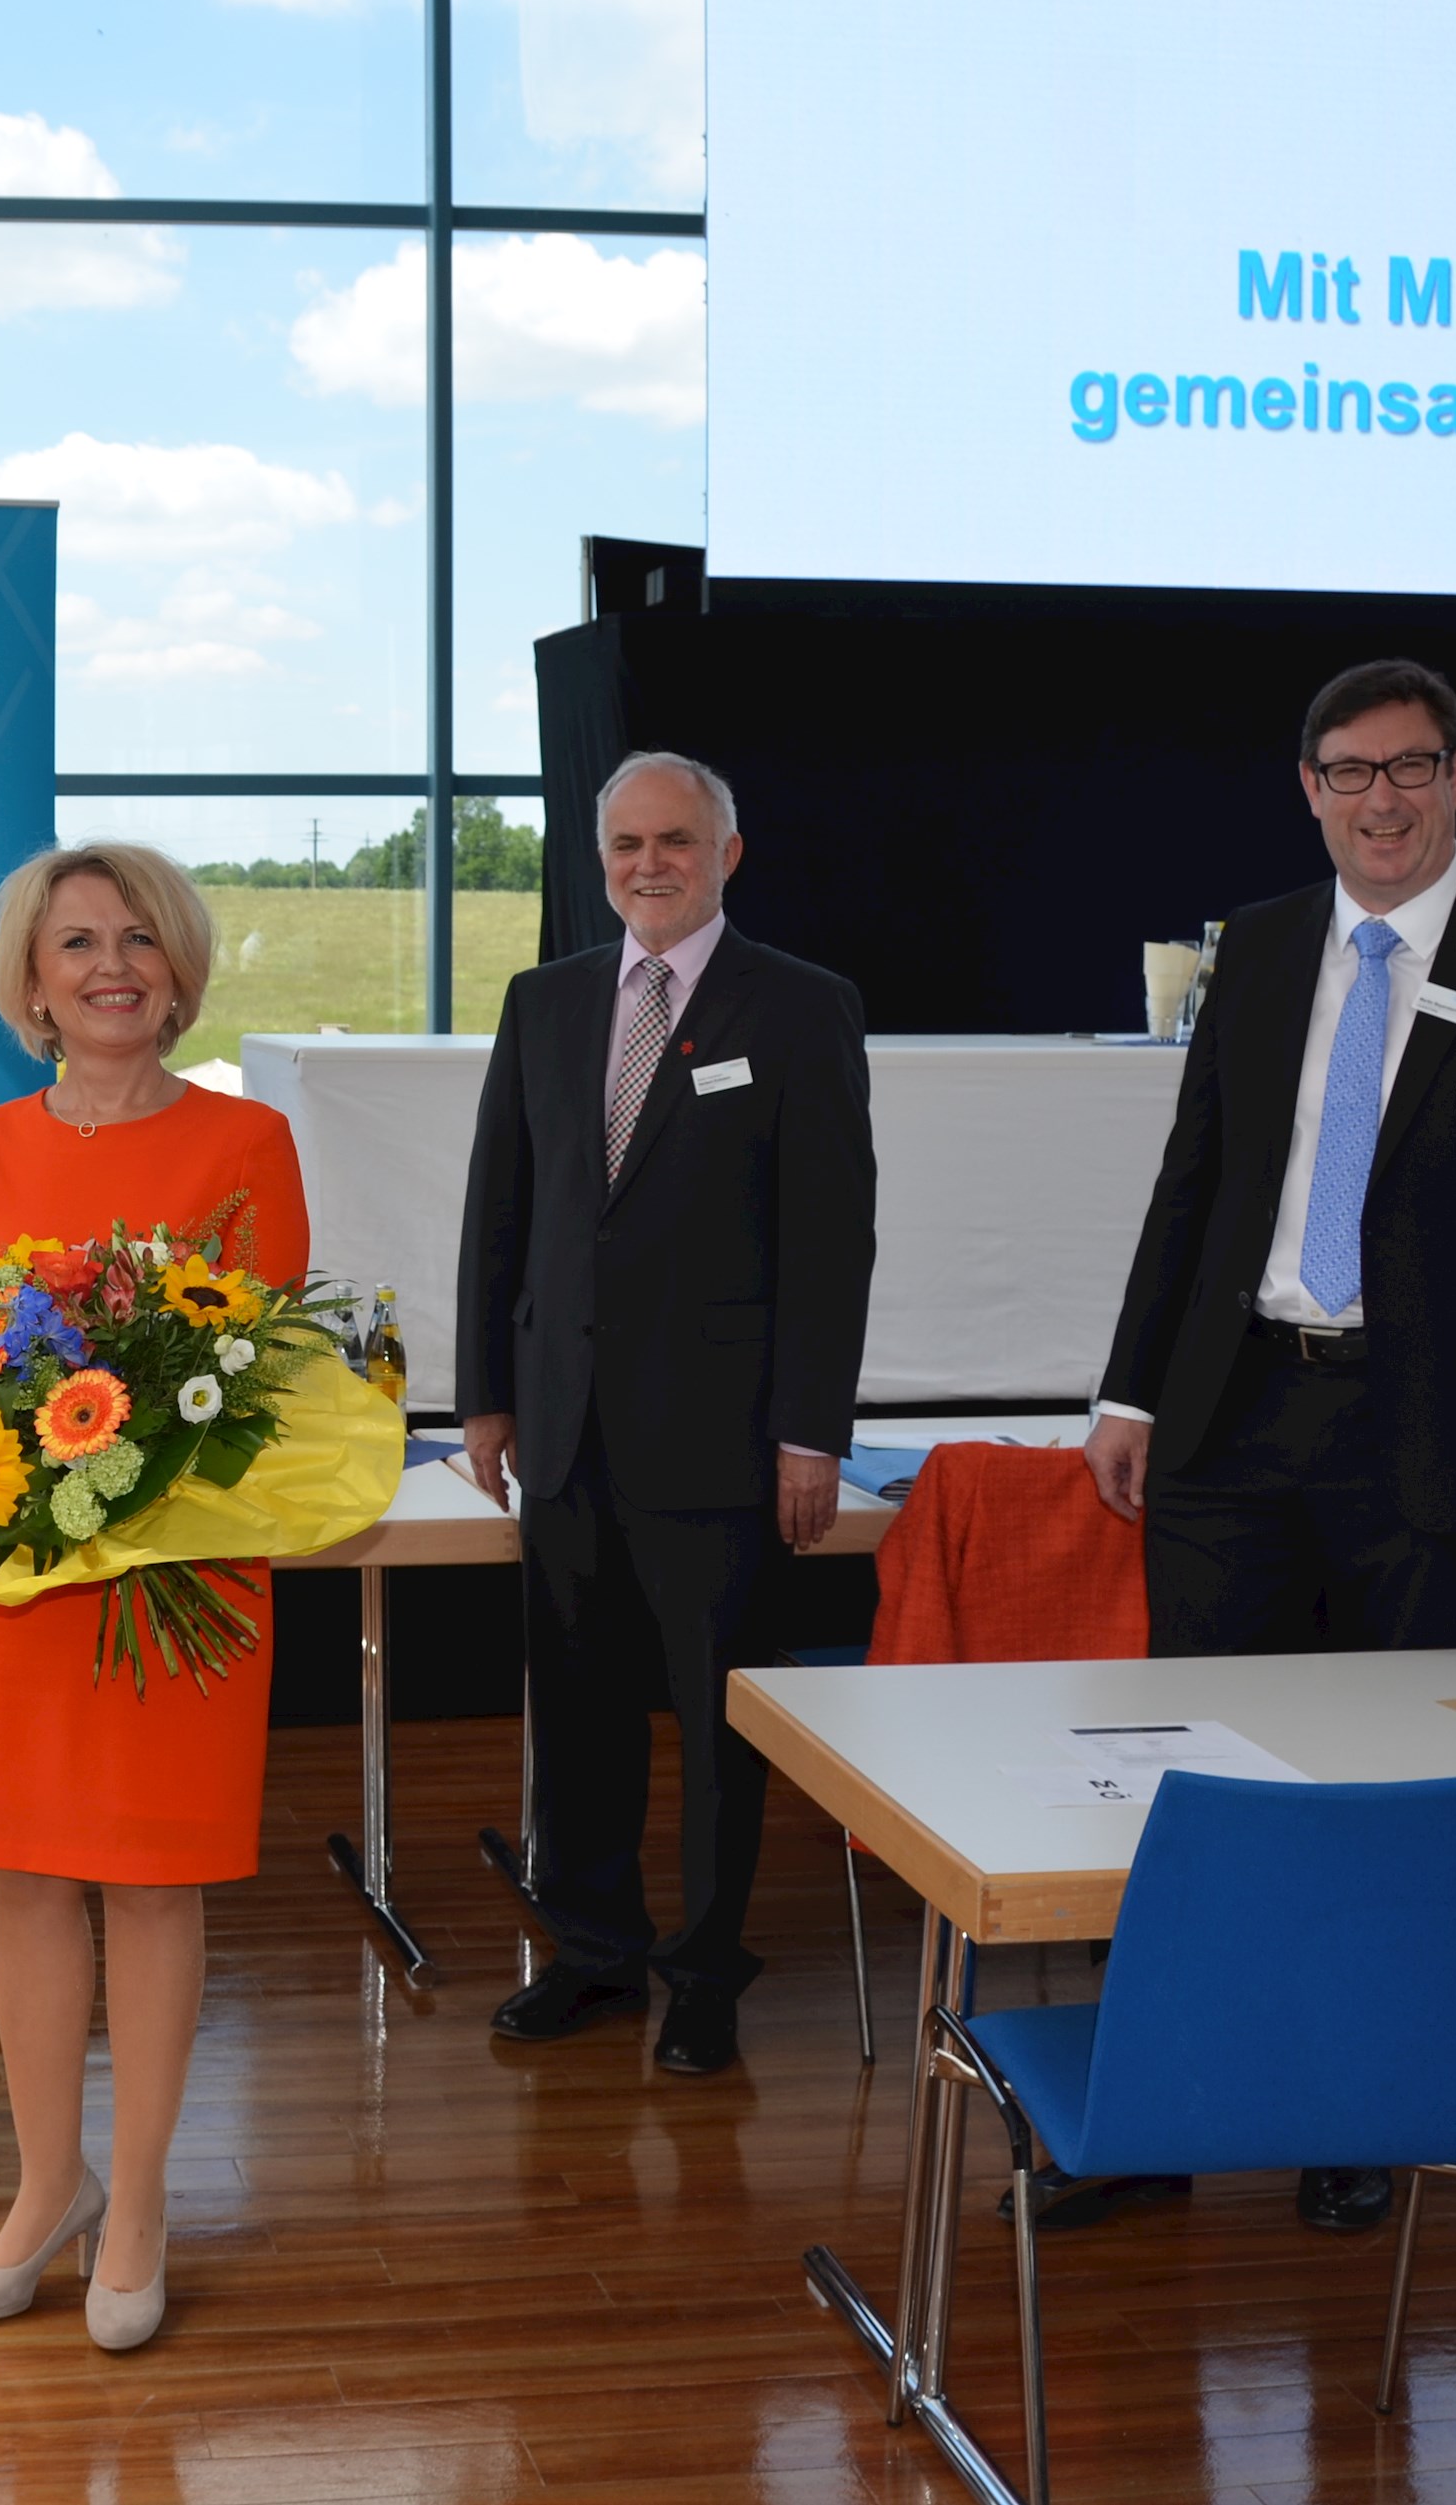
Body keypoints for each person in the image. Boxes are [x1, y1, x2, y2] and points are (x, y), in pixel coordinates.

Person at [1083, 659, 1456, 2233]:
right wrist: (1130, 1392)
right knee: (1198, 1777)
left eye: (1408, 767)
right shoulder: (1257, 948)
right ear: (1308, 788)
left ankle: (1352, 2114)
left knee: (1385, 1780)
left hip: (1432, 1445)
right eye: (1348, 772)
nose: (1379, 799)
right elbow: (1192, 1188)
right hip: (1232, 1415)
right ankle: (1157, 2122)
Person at [0, 842, 306, 2357]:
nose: (112, 966)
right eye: (78, 943)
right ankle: (45, 2186)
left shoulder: (249, 1142)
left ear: (182, 966)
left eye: (140, 938)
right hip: (14, 1572)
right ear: (32, 980)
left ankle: (135, 2203)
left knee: (150, 1880)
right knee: (23, 1877)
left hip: (176, 1582)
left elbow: (256, 1384)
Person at [453, 752, 877, 2081]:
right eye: (626, 843)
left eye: (677, 841)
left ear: (728, 853)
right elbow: (497, 1213)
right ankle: (591, 1950)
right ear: (599, 858)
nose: (650, 863)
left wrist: (812, 1432)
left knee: (709, 1724)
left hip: (723, 1442)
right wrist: (485, 1396)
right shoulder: (545, 1001)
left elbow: (830, 1240)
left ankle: (703, 1971)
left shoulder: (803, 1008)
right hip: (564, 1431)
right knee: (576, 1710)